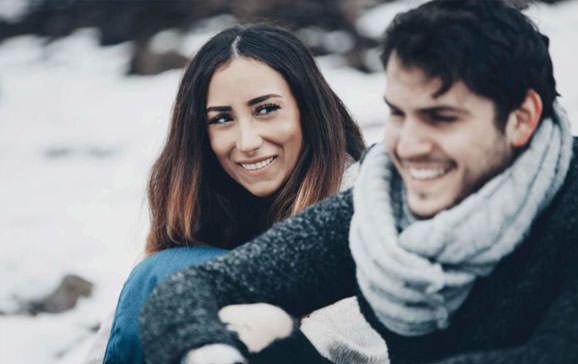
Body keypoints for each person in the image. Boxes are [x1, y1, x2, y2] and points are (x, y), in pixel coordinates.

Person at [138, 1, 578, 363]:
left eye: (441, 118)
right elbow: (191, 289)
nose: (407, 146)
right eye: (398, 114)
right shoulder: (382, 204)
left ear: (521, 120)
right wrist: (213, 351)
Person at [86, 23, 392, 364]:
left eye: (266, 109)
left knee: (163, 276)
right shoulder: (210, 206)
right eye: (221, 119)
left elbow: (355, 348)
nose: (247, 142)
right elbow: (122, 336)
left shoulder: (360, 199)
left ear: (308, 109)